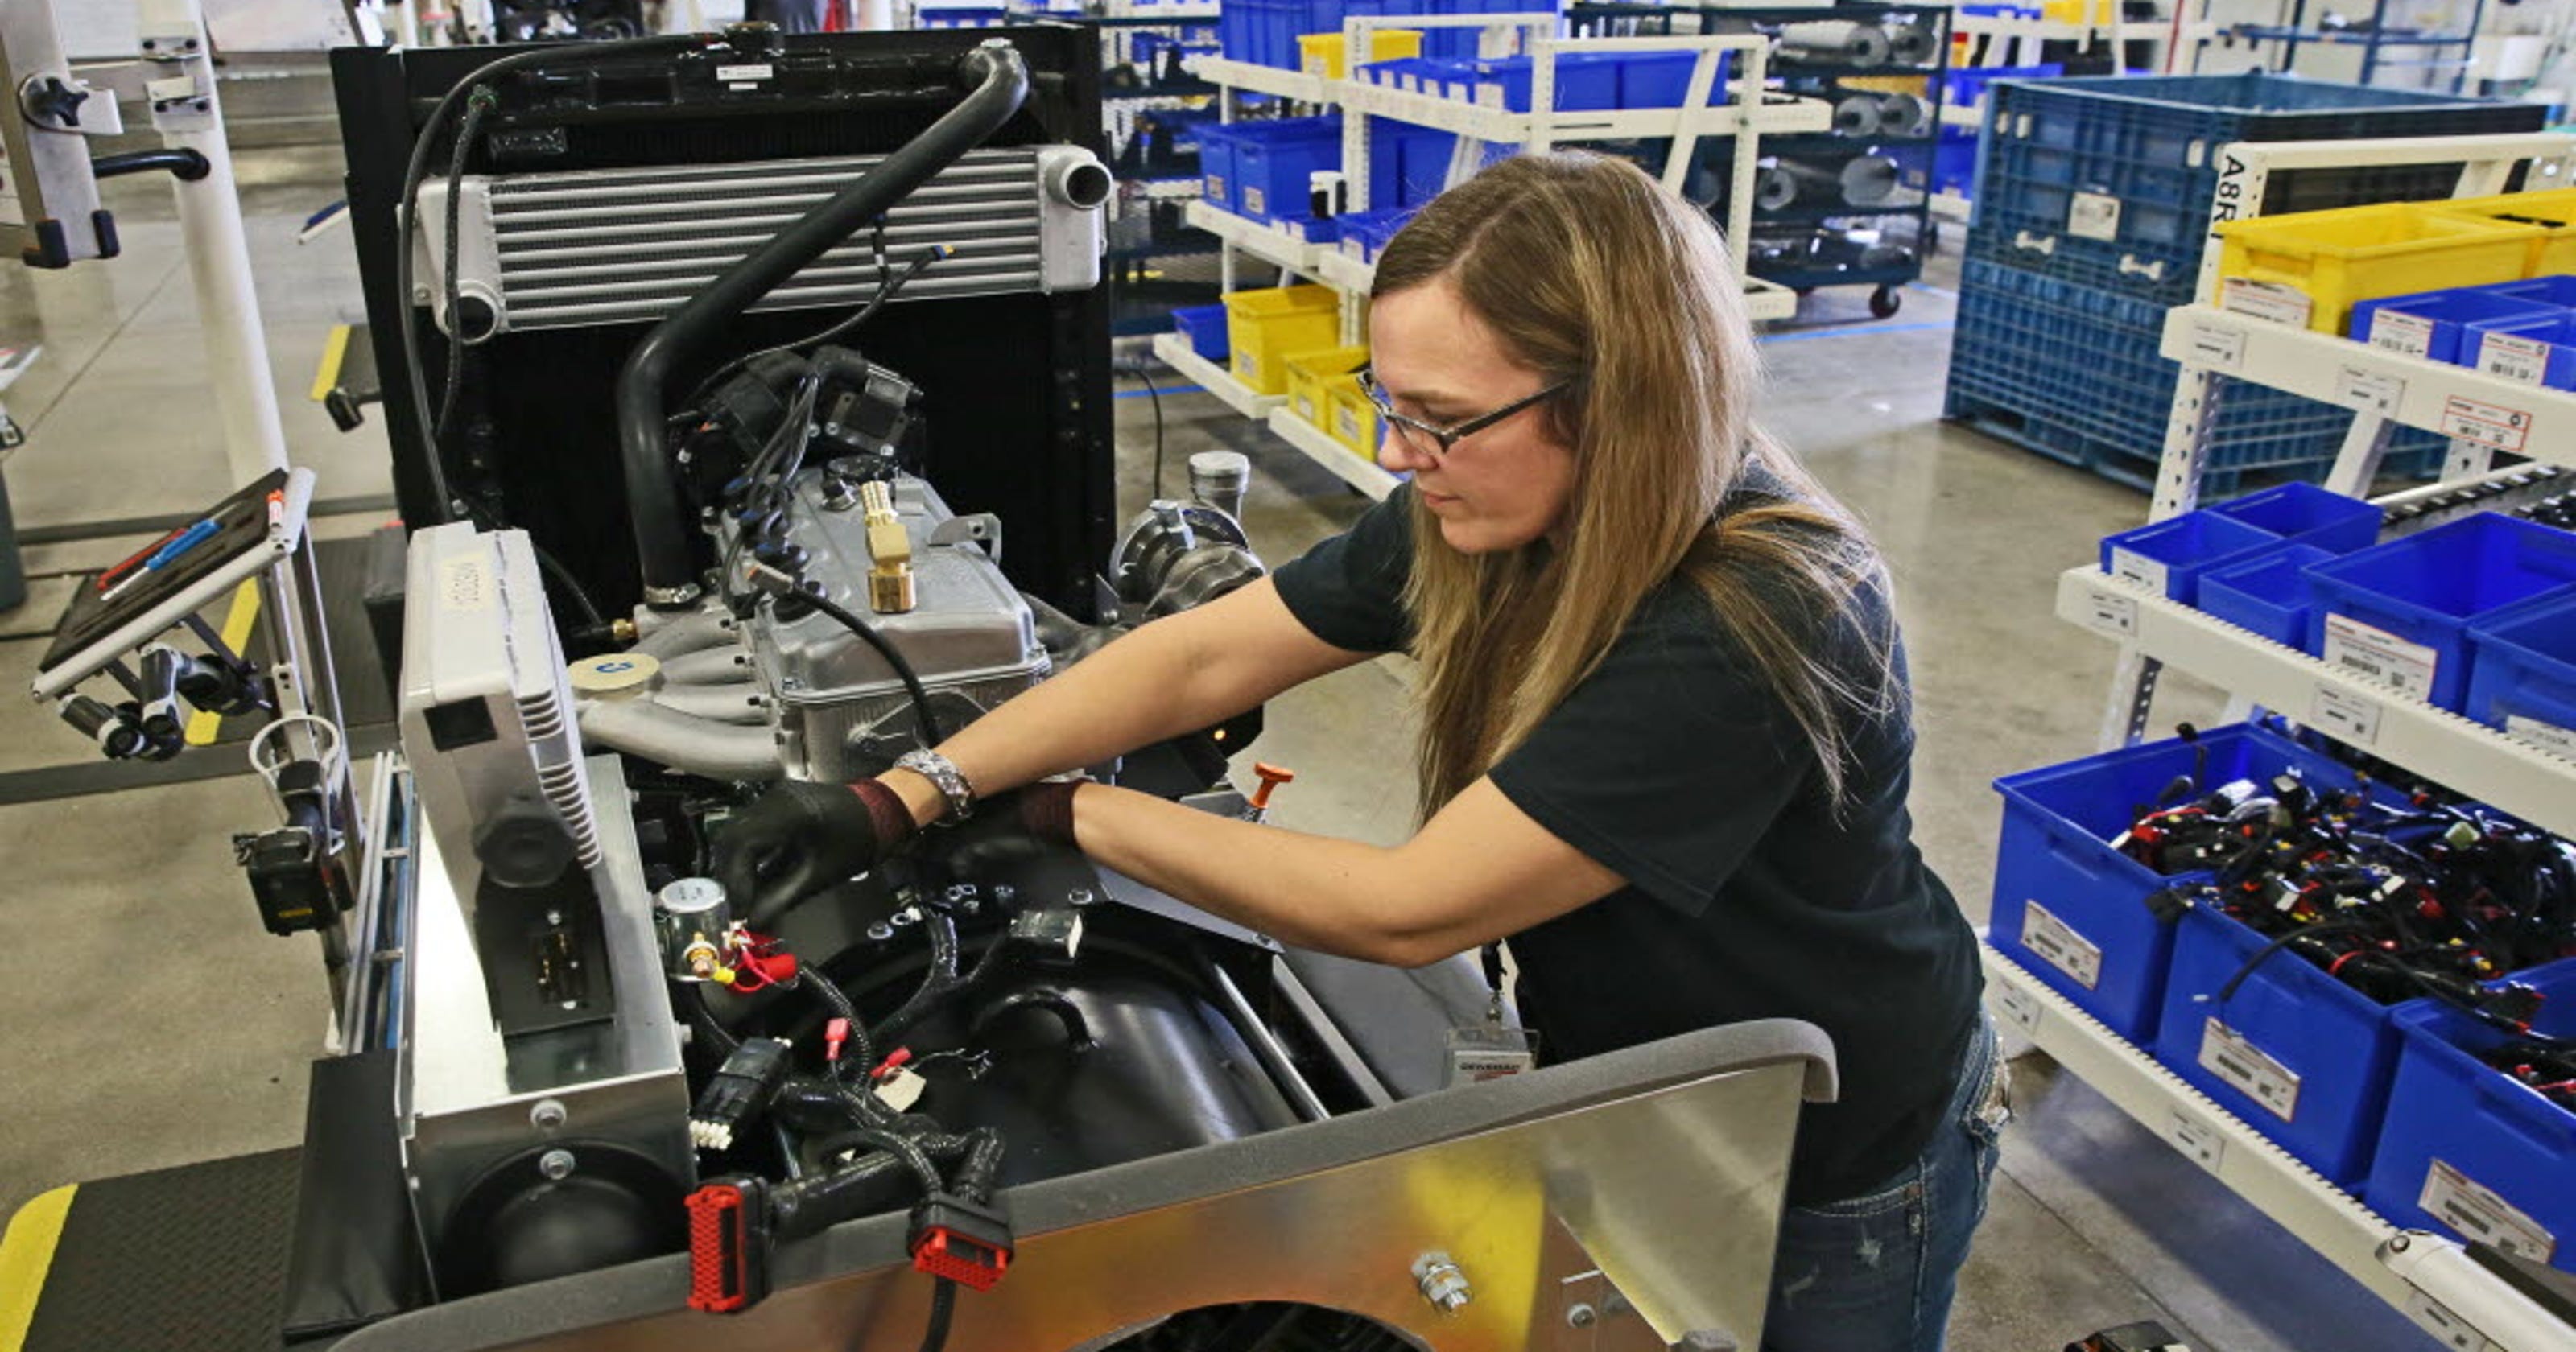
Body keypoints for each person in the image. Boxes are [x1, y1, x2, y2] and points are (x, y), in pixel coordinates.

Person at [715, 150, 2001, 1350]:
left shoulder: (1753, 614)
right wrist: (904, 794)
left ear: (1620, 401)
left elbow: (1410, 908)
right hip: (1643, 1073)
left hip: (1828, 1148)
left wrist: (1073, 816)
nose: (1398, 454)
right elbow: (1202, 657)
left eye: (1441, 418)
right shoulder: (1491, 514)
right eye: (1392, 403)